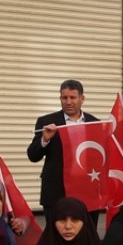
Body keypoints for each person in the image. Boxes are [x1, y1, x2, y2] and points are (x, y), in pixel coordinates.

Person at [27, 79, 100, 211]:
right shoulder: (47, 121)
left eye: (72, 97)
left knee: (87, 231)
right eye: (64, 97)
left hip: (87, 190)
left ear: (82, 99)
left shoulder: (94, 123)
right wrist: (44, 139)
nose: (68, 102)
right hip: (56, 192)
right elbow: (32, 156)